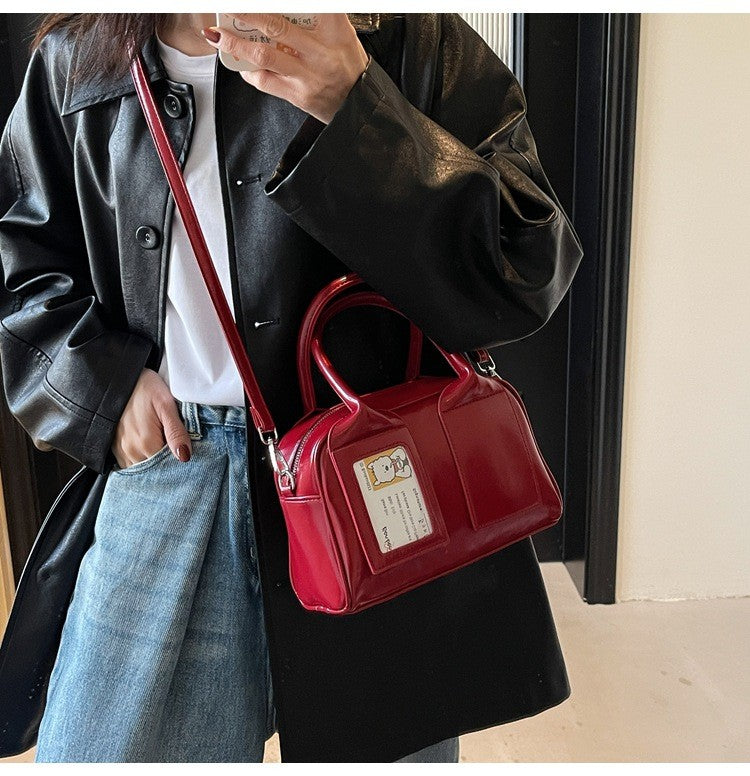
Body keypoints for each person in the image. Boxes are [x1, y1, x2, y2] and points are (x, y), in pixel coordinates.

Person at [0, 12, 584, 763]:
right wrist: (104, 391)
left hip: (372, 471)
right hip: (174, 466)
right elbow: (22, 266)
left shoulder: (398, 35)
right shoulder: (81, 61)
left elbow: (524, 263)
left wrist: (357, 102)